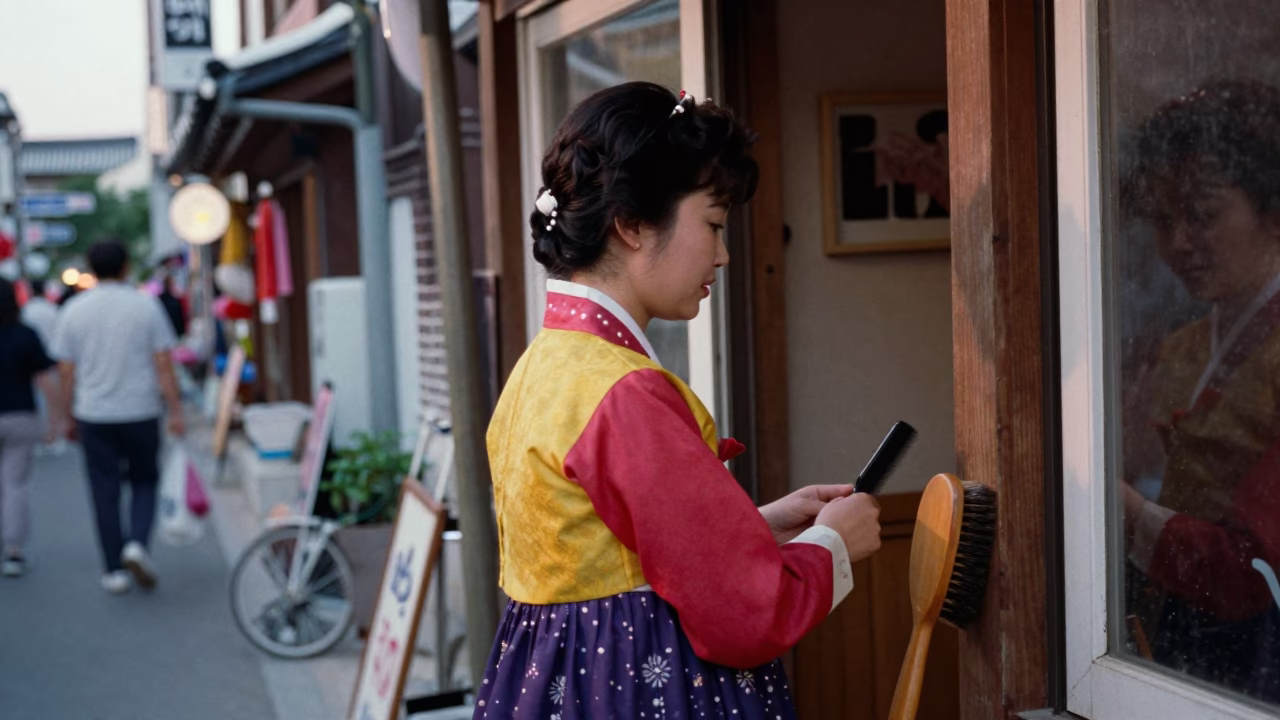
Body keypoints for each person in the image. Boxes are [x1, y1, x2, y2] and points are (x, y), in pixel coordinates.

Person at [476, 83, 883, 719]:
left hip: (555, 678)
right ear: (632, 225)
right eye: (713, 224)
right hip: (635, 683)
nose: (723, 255)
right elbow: (744, 615)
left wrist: (760, 524)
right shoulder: (625, 391)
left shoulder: (540, 369)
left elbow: (608, 555)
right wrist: (833, 544)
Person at [1121, 79, 1280, 703]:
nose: (1179, 242)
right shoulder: (1182, 346)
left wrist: (1129, 513)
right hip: (1184, 632)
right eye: (1164, 220)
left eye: (1203, 215)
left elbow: (1259, 565)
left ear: (1272, 210)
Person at [51, 241, 185, 595]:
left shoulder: (74, 310)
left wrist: (66, 414)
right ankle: (137, 543)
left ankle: (113, 570)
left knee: (103, 489)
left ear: (91, 268)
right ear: (126, 266)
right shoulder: (146, 305)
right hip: (141, 409)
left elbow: (66, 371)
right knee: (144, 480)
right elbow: (164, 364)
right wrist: (176, 409)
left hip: (93, 412)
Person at [0, 278, 63, 577]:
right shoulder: (25, 334)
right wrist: (57, 418)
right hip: (20, 415)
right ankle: (14, 550)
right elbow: (44, 378)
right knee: (14, 485)